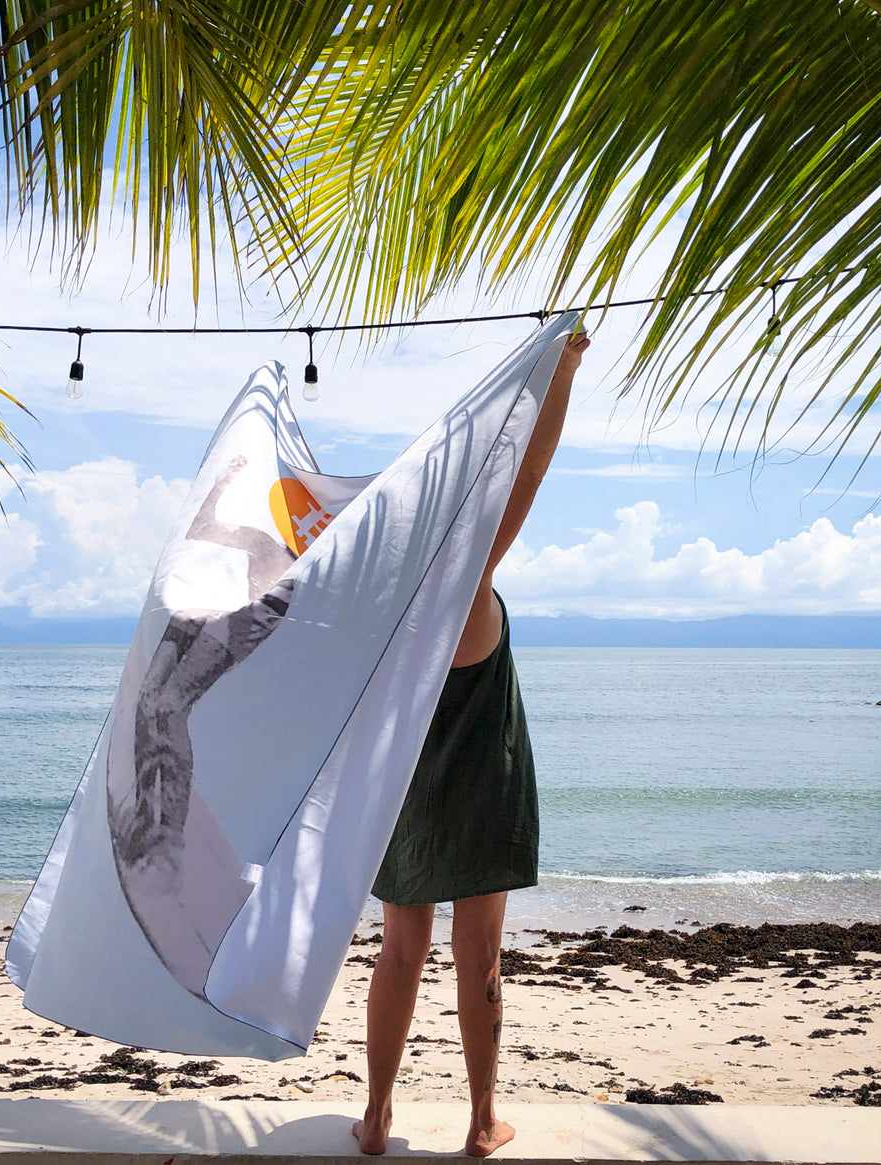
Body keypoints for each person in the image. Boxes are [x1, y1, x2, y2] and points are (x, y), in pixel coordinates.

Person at [353, 330, 590, 1157]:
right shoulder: (468, 592)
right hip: (484, 794)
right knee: (478, 957)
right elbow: (527, 474)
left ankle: (377, 1114)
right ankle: (481, 1120)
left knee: (399, 949)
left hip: (403, 800)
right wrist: (559, 375)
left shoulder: (384, 616)